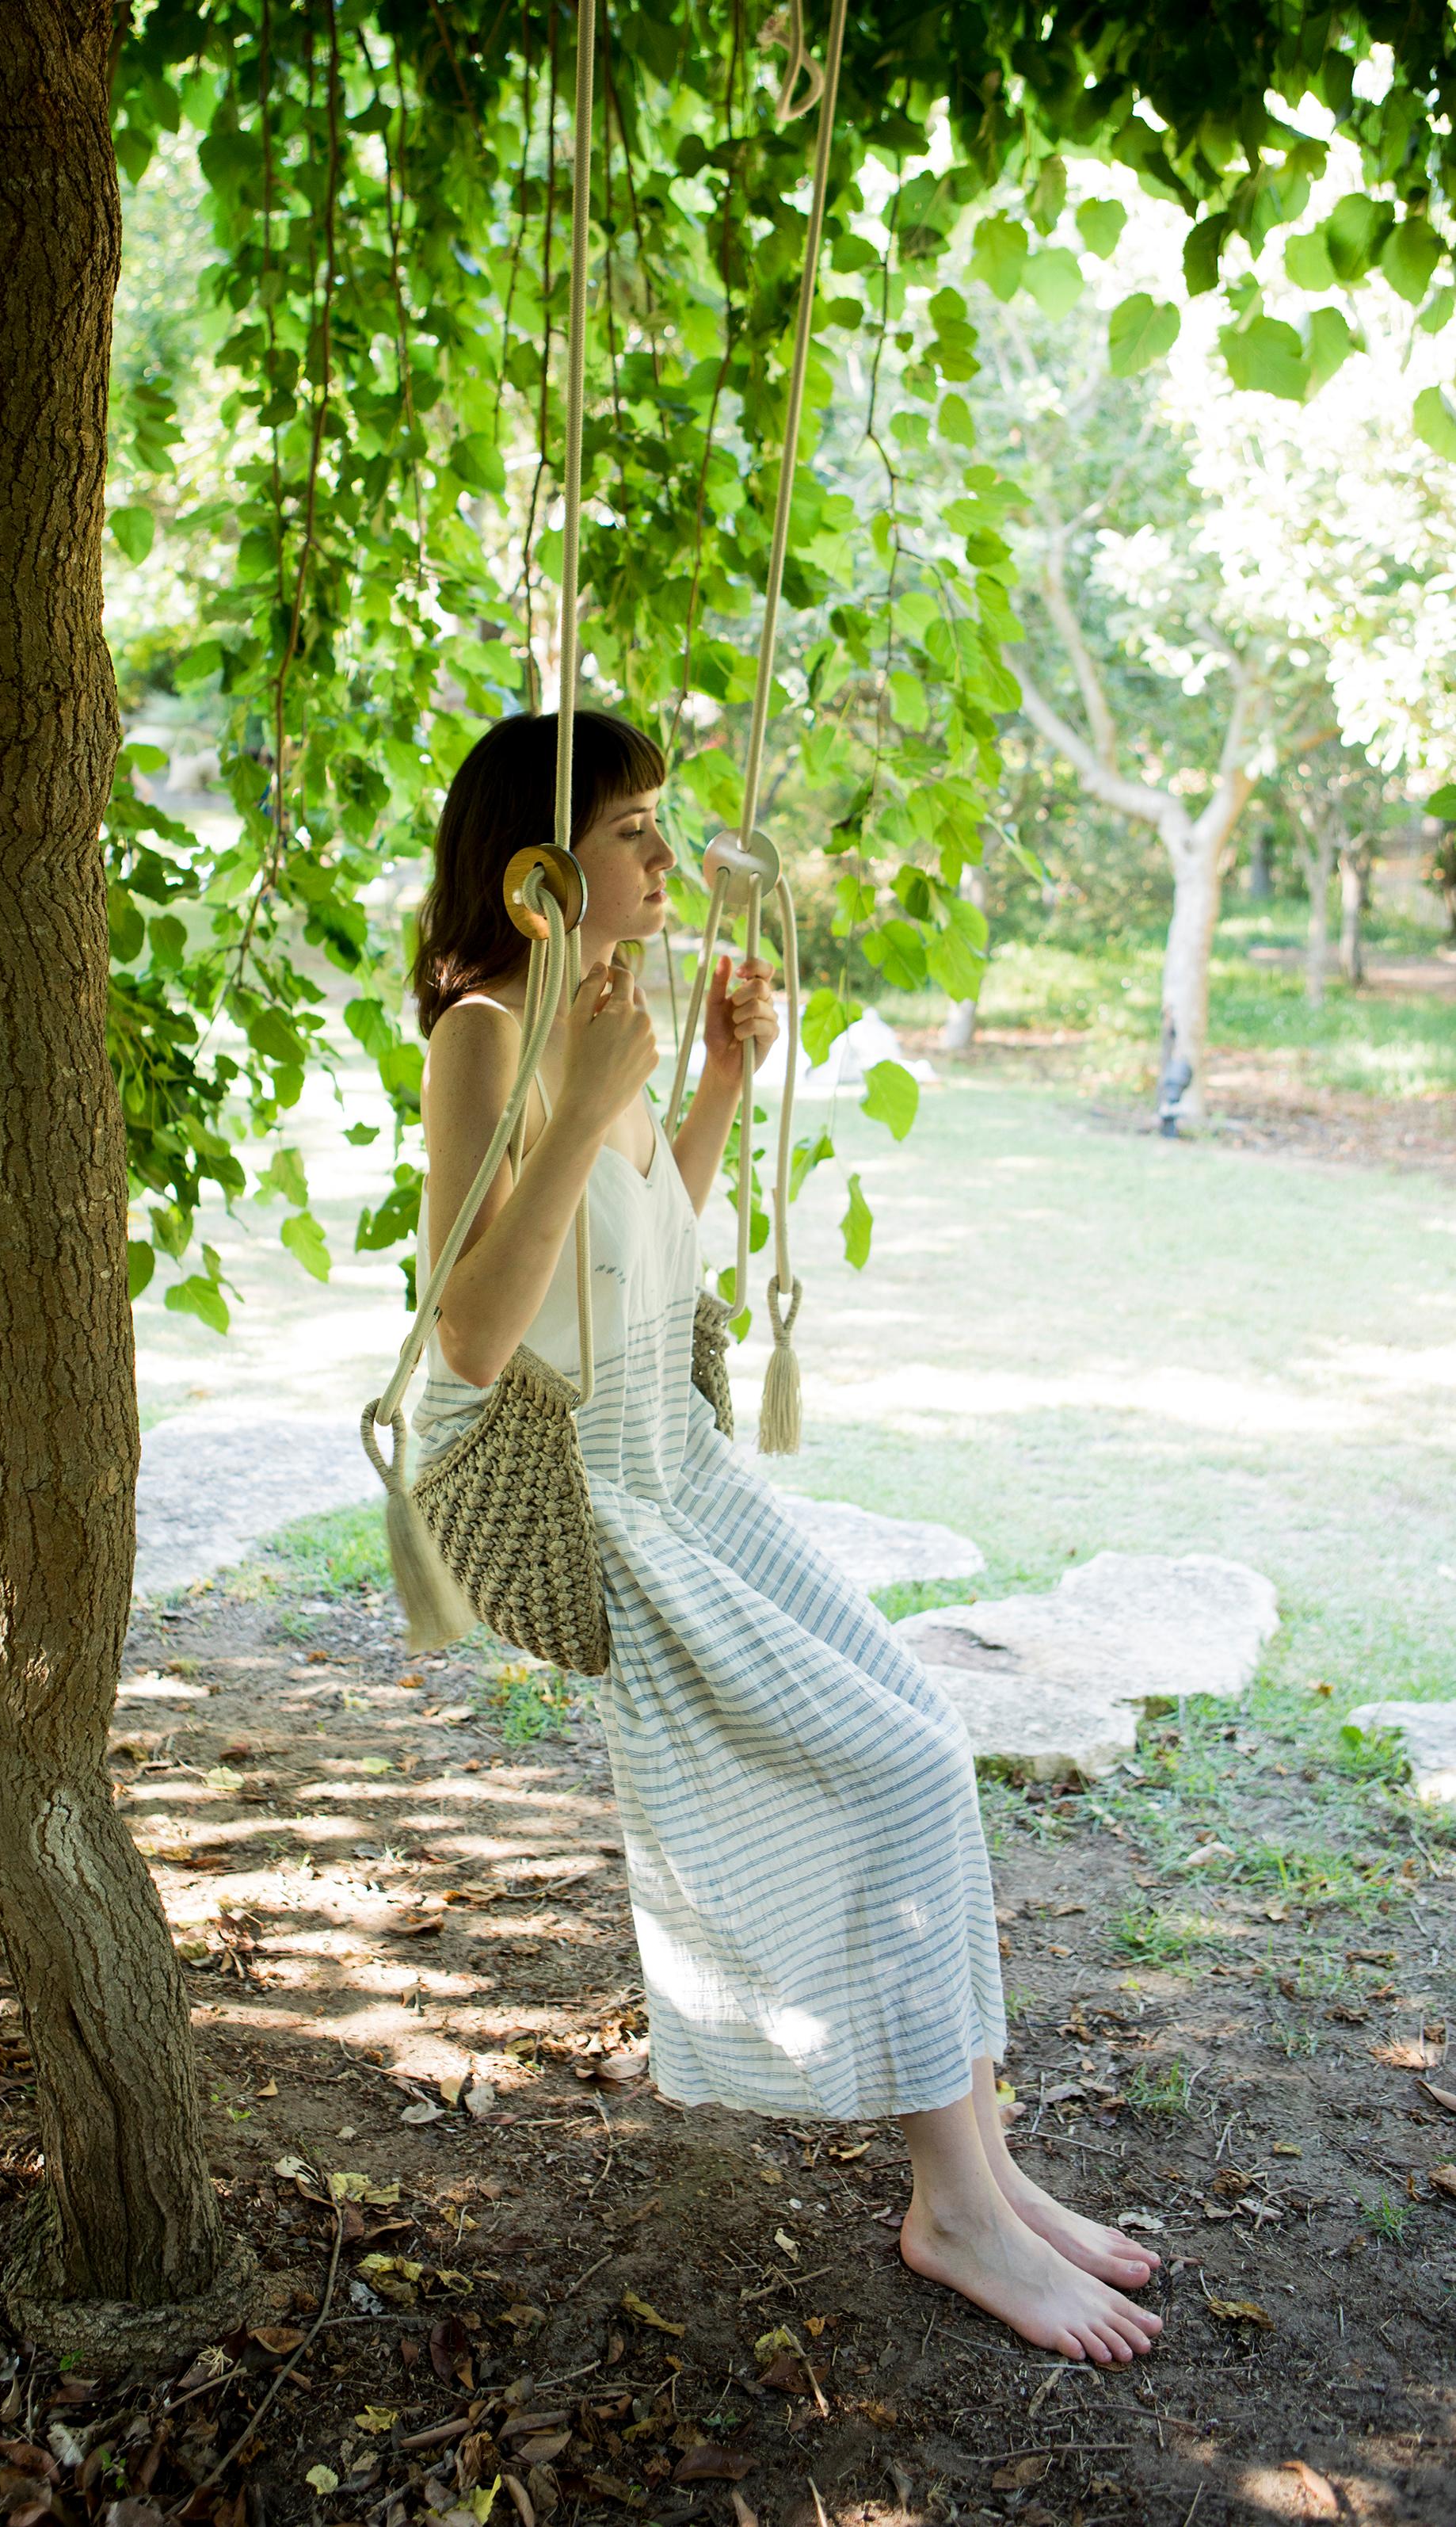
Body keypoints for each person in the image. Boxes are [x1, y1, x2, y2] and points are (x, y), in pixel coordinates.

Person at [410, 708, 1163, 2365]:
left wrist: (711, 1088)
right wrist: (586, 1086)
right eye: (635, 832)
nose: (668, 861)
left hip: (671, 1457)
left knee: (928, 1739)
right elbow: (473, 1331)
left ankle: (986, 2166)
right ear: (539, 865)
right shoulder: (486, 1033)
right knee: (891, 1767)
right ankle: (948, 2205)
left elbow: (642, 1254)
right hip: (589, 1494)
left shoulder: (619, 1014)